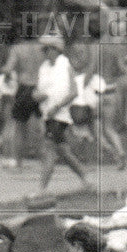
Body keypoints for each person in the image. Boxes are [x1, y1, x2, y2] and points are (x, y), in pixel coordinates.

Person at [34, 33, 92, 194]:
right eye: (44, 50)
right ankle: (86, 179)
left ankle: (41, 189)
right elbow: (39, 90)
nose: (46, 53)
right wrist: (38, 96)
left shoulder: (65, 65)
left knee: (49, 151)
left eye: (48, 49)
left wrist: (58, 106)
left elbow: (73, 92)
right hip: (48, 114)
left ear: (56, 50)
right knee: (64, 152)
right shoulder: (44, 68)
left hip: (60, 115)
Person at [0, 30, 44, 170]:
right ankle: (45, 158)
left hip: (24, 88)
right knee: (42, 125)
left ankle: (18, 162)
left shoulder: (17, 49)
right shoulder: (42, 48)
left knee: (20, 127)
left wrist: (5, 73)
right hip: (40, 87)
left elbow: (8, 69)